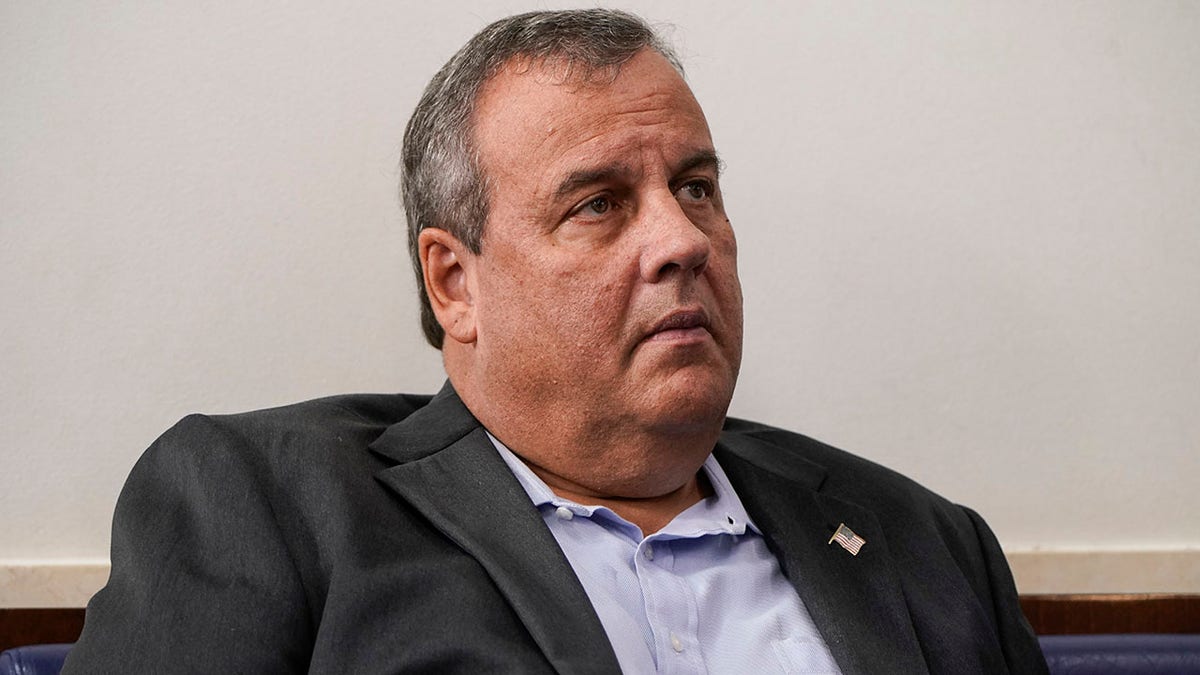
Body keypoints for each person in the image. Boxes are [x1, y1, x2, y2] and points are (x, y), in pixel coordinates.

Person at [65, 9, 1048, 674]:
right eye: (599, 204)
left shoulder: (928, 543)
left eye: (696, 188)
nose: (680, 241)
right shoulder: (272, 505)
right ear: (457, 283)